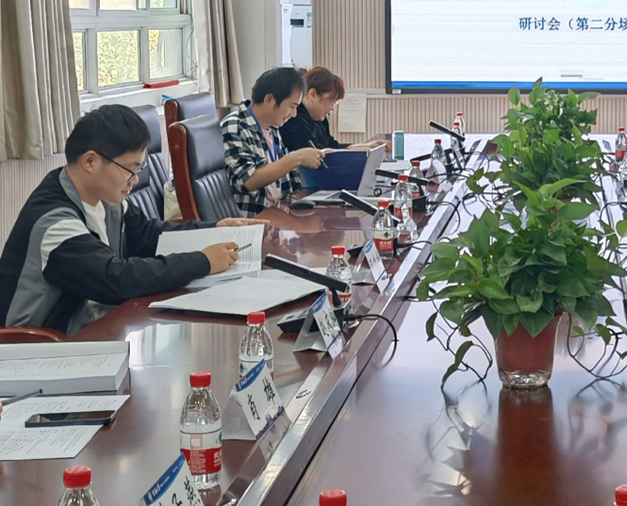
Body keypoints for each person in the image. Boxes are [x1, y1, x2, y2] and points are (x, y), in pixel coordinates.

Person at [0, 106, 251, 333]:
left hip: (94, 327)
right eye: (130, 169)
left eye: (139, 169)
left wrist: (215, 229)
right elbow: (115, 279)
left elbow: (149, 236)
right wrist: (202, 261)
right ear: (90, 161)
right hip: (38, 349)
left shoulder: (106, 198)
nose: (136, 179)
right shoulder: (55, 223)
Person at [221, 67, 325, 215]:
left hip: (279, 212)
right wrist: (296, 158)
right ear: (269, 99)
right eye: (292, 106)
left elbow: (286, 185)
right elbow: (248, 181)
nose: (294, 114)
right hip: (254, 219)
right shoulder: (235, 126)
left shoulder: (273, 127)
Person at [279, 66, 387, 153]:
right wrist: (356, 152)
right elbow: (316, 154)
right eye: (332, 101)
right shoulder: (294, 119)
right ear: (313, 94)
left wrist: (366, 146)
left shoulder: (320, 119)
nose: (332, 107)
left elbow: (331, 145)